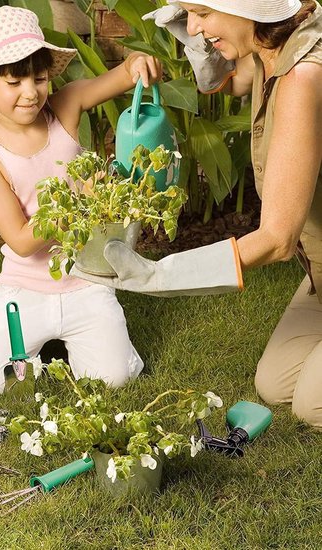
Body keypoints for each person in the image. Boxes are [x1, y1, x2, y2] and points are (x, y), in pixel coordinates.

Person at [73, 0, 322, 429]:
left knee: (310, 405)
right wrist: (197, 34)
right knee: (276, 385)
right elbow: (227, 82)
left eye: (199, 12)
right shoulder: (269, 47)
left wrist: (161, 275)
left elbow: (278, 239)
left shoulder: (303, 75)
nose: (191, 25)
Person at [0, 6, 163, 392]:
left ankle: (67, 344)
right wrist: (74, 198)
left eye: (40, 78)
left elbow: (124, 75)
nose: (31, 93)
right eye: (14, 82)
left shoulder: (65, 108)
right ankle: (40, 348)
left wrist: (138, 63)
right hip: (25, 287)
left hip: (86, 279)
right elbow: (21, 240)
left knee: (114, 379)